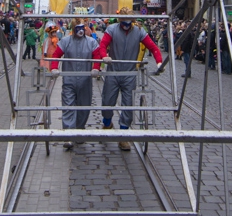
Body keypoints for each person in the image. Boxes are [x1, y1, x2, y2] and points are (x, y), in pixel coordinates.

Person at [94, 8, 162, 151]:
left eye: (129, 21)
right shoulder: (111, 29)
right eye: (124, 21)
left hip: (130, 73)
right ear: (119, 20)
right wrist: (104, 55)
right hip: (113, 71)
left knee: (128, 105)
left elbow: (152, 47)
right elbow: (102, 45)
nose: (126, 24)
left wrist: (159, 62)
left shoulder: (139, 31)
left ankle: (123, 135)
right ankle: (107, 123)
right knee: (107, 102)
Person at [49, 19, 100, 150]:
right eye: (78, 28)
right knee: (68, 106)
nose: (81, 30)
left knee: (84, 106)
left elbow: (97, 56)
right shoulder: (66, 41)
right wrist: (54, 68)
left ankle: (80, 129)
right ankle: (68, 134)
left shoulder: (91, 42)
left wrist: (96, 68)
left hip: (85, 80)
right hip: (69, 80)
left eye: (82, 27)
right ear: (73, 29)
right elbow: (56, 55)